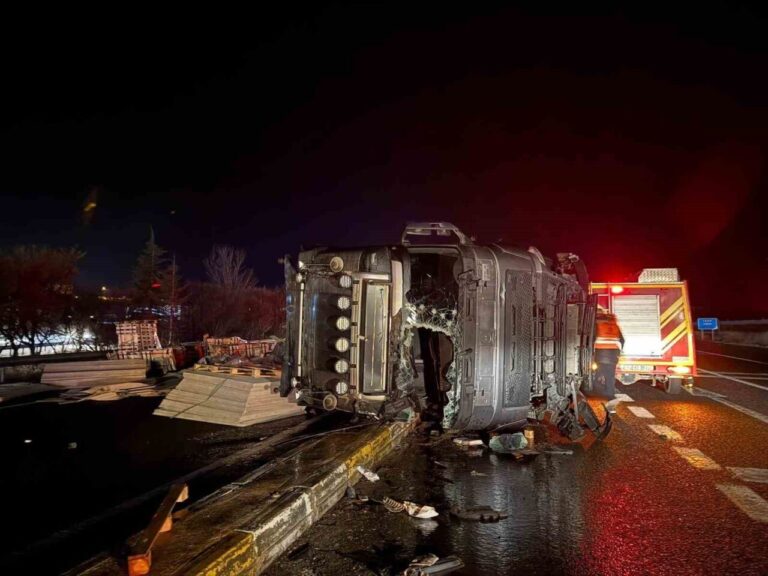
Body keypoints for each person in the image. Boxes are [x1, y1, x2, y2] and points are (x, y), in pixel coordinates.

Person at [592, 307, 624, 397]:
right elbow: (622, 340)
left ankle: (595, 391)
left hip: (600, 354)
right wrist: (619, 351)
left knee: (597, 373)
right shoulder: (614, 325)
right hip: (613, 354)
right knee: (610, 375)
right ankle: (610, 394)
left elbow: (592, 338)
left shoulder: (597, 324)